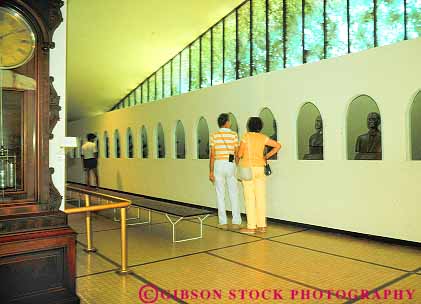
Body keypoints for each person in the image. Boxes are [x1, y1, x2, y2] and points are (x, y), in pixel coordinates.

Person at [237, 117, 281, 234]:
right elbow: (278, 145)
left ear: (248, 126)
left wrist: (238, 152)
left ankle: (251, 227)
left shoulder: (246, 136)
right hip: (260, 169)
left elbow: (240, 153)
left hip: (248, 169)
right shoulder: (263, 137)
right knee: (261, 197)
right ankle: (262, 226)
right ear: (260, 127)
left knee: (249, 198)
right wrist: (266, 157)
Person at [209, 113, 242, 230]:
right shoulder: (234, 135)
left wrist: (211, 171)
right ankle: (236, 221)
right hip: (230, 164)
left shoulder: (214, 135)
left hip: (218, 164)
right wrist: (238, 166)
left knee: (220, 194)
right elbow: (237, 153)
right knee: (234, 193)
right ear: (227, 122)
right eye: (229, 121)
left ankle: (222, 222)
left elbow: (212, 155)